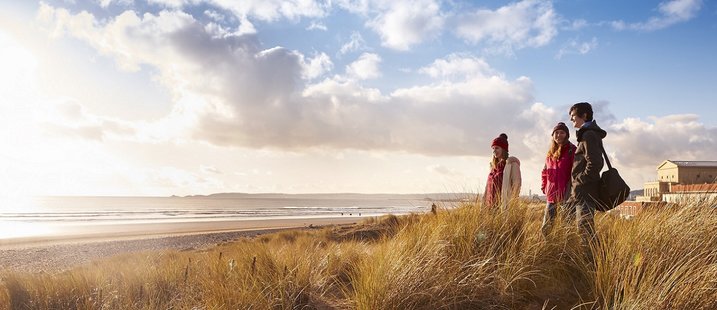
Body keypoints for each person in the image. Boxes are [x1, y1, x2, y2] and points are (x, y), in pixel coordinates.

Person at [566, 102, 606, 239]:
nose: (571, 119)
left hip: (585, 192)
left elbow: (595, 163)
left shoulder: (588, 135)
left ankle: (591, 260)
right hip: (580, 192)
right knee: (573, 226)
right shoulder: (587, 134)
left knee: (585, 232)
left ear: (584, 115)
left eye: (573, 116)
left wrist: (579, 181)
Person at [540, 122, 576, 235]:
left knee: (566, 227)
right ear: (553, 135)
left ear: (567, 135)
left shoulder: (572, 150)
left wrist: (571, 191)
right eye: (556, 132)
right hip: (551, 195)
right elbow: (544, 171)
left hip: (567, 195)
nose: (559, 135)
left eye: (562, 132)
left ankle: (566, 250)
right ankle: (547, 248)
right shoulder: (550, 153)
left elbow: (575, 173)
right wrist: (544, 186)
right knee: (546, 228)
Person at [483, 133, 521, 209]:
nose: (494, 151)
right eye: (493, 148)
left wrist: (511, 204)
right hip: (490, 206)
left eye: (497, 148)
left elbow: (517, 185)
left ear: (503, 149)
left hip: (504, 206)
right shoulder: (493, 167)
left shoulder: (512, 164)